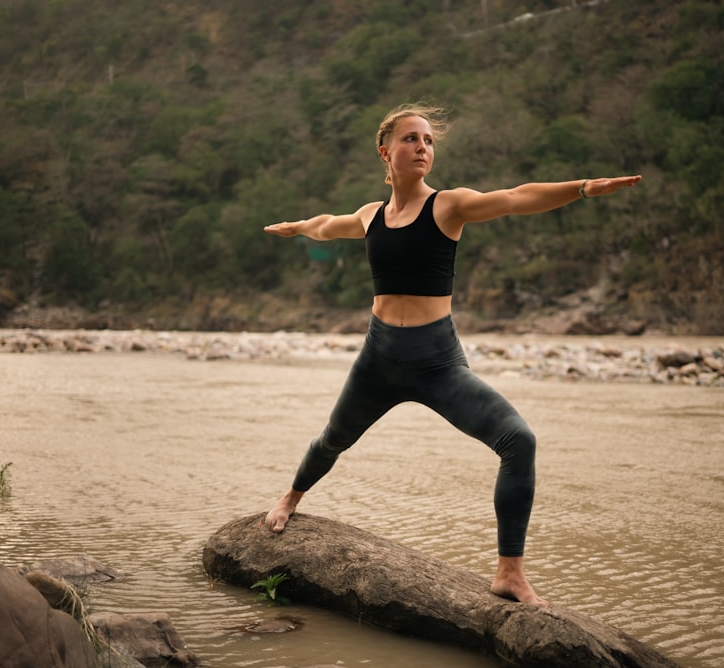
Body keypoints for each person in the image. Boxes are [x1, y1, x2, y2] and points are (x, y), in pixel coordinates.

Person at [263, 103, 641, 606]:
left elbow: (515, 198)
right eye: (411, 139)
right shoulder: (371, 216)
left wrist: (583, 187)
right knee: (332, 439)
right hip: (378, 360)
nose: (423, 147)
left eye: (429, 141)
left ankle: (510, 572)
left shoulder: (449, 206)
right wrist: (297, 227)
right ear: (386, 151)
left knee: (518, 441)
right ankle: (291, 497)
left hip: (437, 362)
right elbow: (328, 225)